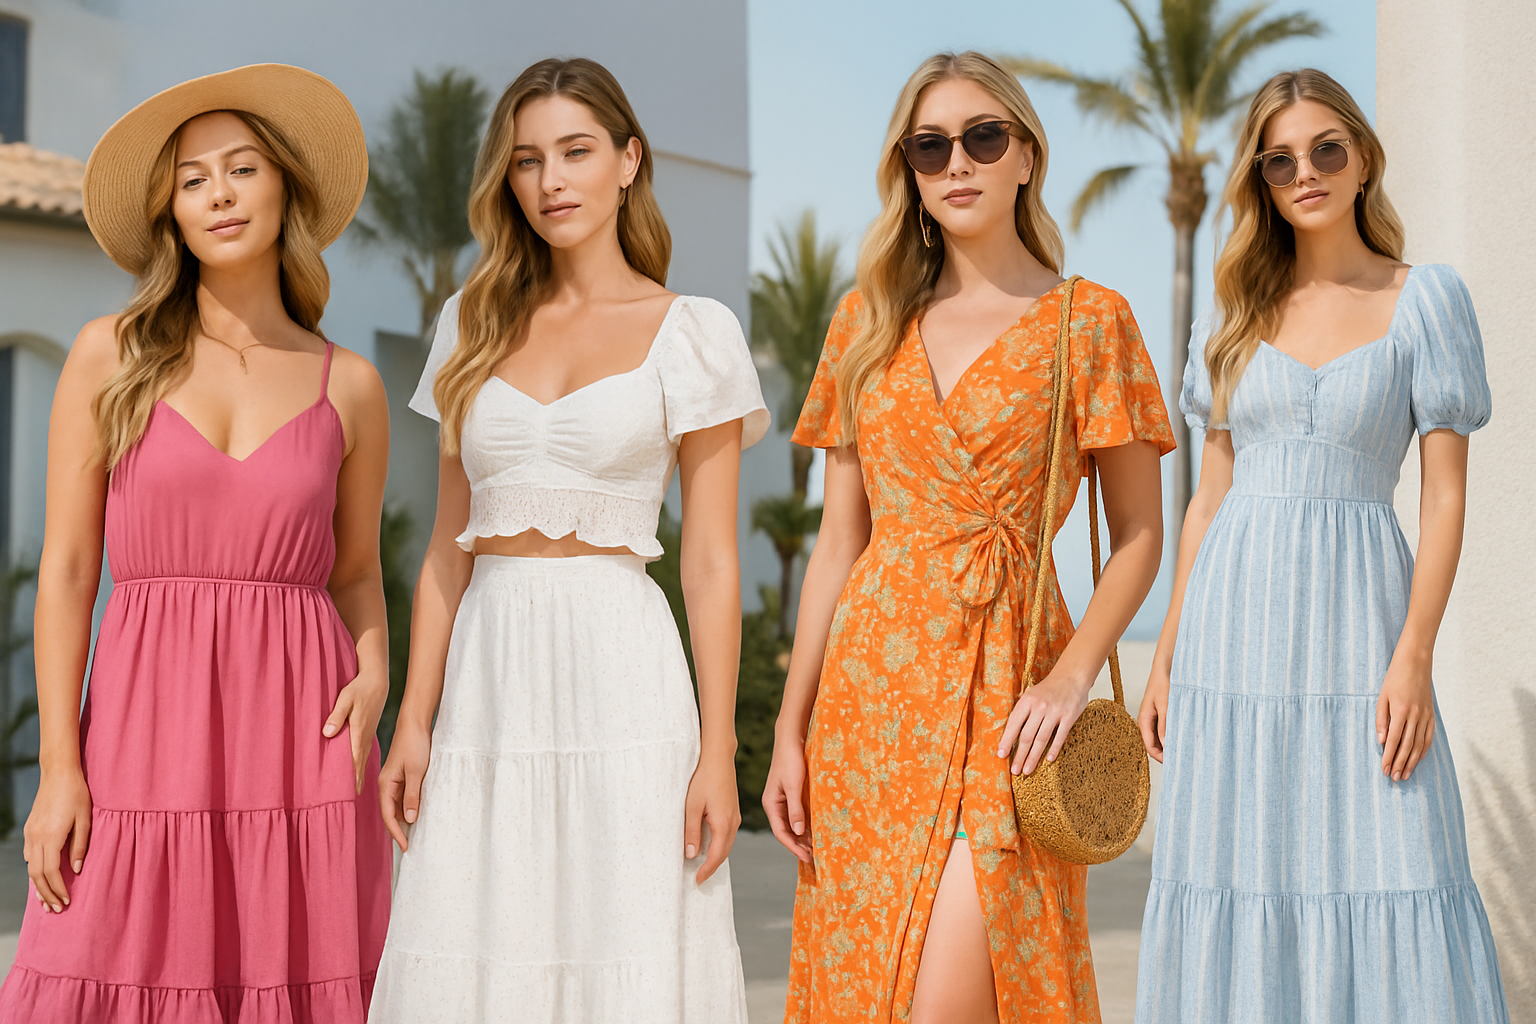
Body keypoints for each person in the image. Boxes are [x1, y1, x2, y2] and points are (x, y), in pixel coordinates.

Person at [763, 51, 1173, 1024]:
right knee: (868, 985)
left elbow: (1140, 534)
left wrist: (1072, 675)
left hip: (1013, 693)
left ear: (1026, 156)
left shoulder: (1089, 322)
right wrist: (788, 727)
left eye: (984, 137)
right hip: (871, 700)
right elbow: (837, 546)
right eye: (930, 145)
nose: (958, 162)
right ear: (907, 169)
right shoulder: (867, 322)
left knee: (953, 993)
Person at [367, 57, 766, 1023]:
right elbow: (446, 550)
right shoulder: (468, 324)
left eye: (576, 152)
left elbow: (713, 565)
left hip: (625, 670)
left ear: (629, 161)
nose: (551, 180)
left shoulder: (694, 333)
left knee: (626, 940)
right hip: (489, 676)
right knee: (476, 938)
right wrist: (413, 717)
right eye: (527, 160)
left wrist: (720, 753)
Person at [0, 64, 394, 1022]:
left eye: (243, 168)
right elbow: (68, 573)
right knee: (99, 955)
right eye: (193, 179)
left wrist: (376, 667)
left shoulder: (349, 384)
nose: (220, 193)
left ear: (285, 189)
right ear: (170, 213)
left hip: (305, 731)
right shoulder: (109, 354)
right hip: (141, 728)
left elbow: (356, 575)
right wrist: (59, 769)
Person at [1136, 68, 1509, 1023]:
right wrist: (1168, 654)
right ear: (1260, 181)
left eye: (1325, 150)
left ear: (1363, 159)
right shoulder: (1231, 316)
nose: (1305, 172)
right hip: (1232, 636)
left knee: (1397, 858)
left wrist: (1414, 655)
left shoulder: (1425, 299)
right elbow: (1208, 499)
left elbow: (1445, 497)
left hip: (1363, 625)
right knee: (1240, 868)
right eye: (1280, 160)